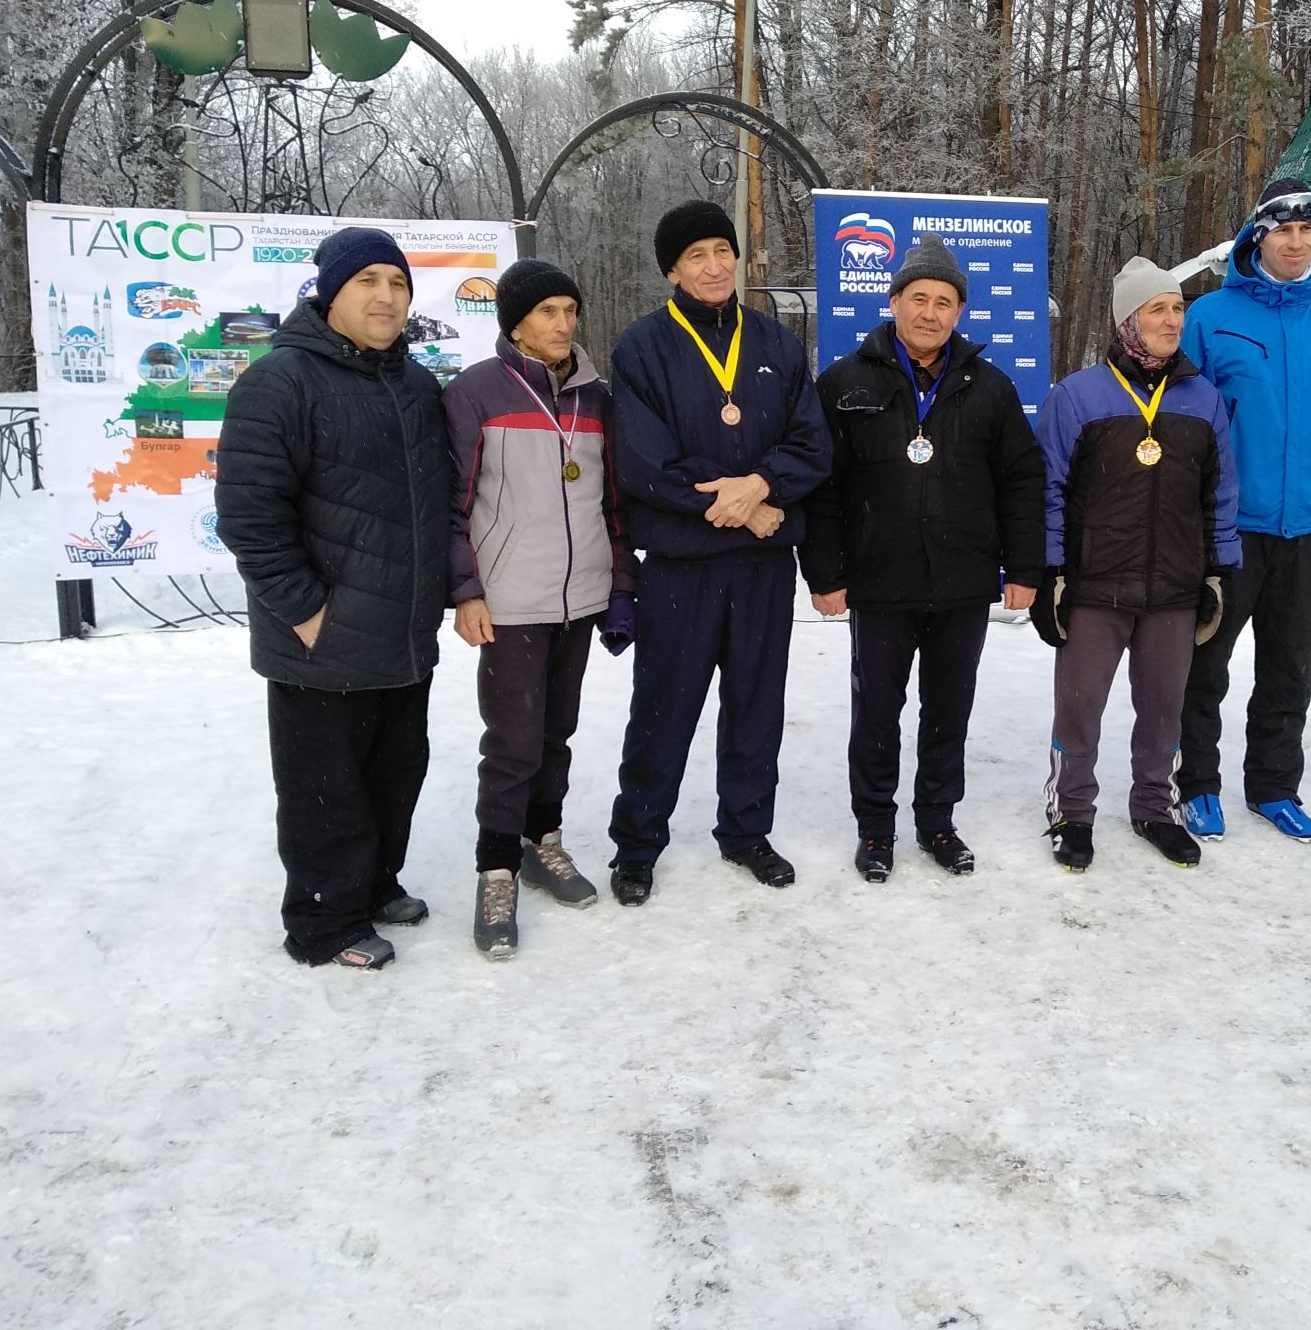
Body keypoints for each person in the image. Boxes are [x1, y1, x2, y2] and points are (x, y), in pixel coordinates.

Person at [214, 226, 449, 970]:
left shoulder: (414, 384)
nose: (386, 297)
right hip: (321, 642)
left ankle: (374, 886)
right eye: (367, 282)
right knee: (325, 791)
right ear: (329, 292)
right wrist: (308, 611)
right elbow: (250, 516)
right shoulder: (279, 383)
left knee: (395, 771)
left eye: (398, 284)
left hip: (403, 635)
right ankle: (323, 922)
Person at [603, 201, 832, 906]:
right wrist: (743, 508)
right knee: (664, 709)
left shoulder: (777, 343)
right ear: (672, 269)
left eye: (723, 251)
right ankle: (638, 844)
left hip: (763, 568)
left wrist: (765, 484)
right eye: (697, 255)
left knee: (756, 708)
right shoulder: (642, 347)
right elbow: (644, 461)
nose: (715, 266)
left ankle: (745, 831)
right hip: (682, 565)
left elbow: (812, 444)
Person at [801, 234, 1045, 883]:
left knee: (948, 711)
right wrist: (825, 575)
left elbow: (1022, 479)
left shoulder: (989, 388)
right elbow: (821, 488)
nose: (931, 313)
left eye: (944, 302)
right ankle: (875, 829)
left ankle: (937, 820)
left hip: (962, 584)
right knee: (876, 713)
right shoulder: (845, 383)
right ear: (894, 301)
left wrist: (1025, 568)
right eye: (919, 299)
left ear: (958, 312)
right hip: (878, 585)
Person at [444, 258, 639, 959]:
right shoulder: (475, 393)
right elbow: (453, 505)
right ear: (516, 321)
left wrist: (619, 586)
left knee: (558, 730)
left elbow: (612, 505)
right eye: (549, 312)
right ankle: (496, 868)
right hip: (511, 599)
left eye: (571, 310)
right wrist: (465, 590)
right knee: (513, 740)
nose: (565, 324)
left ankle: (539, 841)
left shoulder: (598, 399)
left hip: (579, 595)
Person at [1174, 177, 1311, 844]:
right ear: (1257, 234)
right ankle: (1198, 785)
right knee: (1205, 664)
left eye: (1306, 230)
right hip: (1231, 528)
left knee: (1290, 666)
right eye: (1282, 230)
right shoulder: (1209, 317)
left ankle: (1273, 787)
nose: (1296, 242)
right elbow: (1185, 428)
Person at [1033, 257, 1241, 871]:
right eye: (1159, 309)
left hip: (1174, 588)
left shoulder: (1203, 399)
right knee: (1079, 709)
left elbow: (1221, 491)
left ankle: (1156, 807)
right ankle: (1071, 812)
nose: (1173, 319)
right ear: (1129, 320)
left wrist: (1218, 570)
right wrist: (1051, 573)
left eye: (1178, 308)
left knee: (1163, 710)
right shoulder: (1077, 395)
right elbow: (1049, 490)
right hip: (1096, 586)